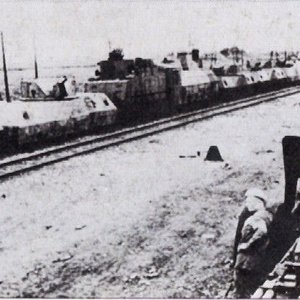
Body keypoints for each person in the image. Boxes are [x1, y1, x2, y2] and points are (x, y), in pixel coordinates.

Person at [232, 188, 276, 298]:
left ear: (258, 202)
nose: (247, 205)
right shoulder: (267, 215)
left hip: (247, 260)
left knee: (242, 290)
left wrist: (247, 244)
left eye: (249, 202)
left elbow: (261, 231)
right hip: (254, 259)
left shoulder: (257, 217)